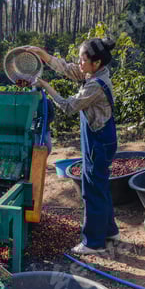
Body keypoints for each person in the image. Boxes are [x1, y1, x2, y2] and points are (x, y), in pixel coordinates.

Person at [26, 38, 120, 255]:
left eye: (82, 60)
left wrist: (46, 86)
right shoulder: (92, 73)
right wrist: (45, 56)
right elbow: (68, 70)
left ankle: (93, 242)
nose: (79, 63)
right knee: (100, 185)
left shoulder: (96, 85)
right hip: (100, 138)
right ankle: (109, 230)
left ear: (95, 63)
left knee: (91, 189)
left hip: (99, 141)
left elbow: (68, 106)